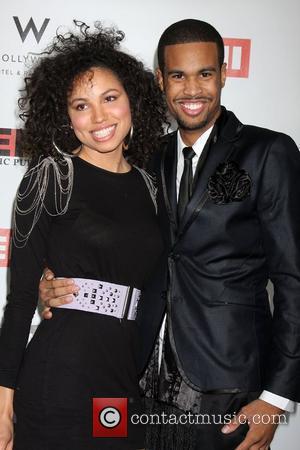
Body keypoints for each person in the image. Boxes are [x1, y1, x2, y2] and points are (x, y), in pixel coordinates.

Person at [39, 19, 300, 450]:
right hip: (134, 379)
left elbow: (293, 279)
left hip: (224, 388)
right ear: (160, 79)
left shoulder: (268, 152)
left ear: (224, 73)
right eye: (178, 75)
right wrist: (51, 282)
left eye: (205, 74)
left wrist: (276, 398)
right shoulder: (146, 157)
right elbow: (112, 243)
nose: (192, 89)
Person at [0, 21, 166, 450]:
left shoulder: (152, 187)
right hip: (59, 378)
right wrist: (2, 407)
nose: (98, 118)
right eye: (80, 105)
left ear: (132, 100)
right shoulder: (53, 177)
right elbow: (20, 301)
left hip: (121, 382)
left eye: (110, 98)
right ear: (65, 115)